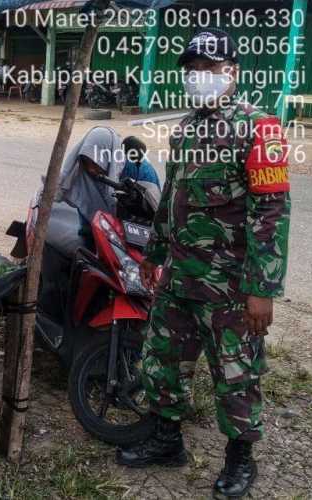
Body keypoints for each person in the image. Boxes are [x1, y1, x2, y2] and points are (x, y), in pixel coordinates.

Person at [116, 29, 291, 498]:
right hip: (178, 277)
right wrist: (154, 255)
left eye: (209, 70)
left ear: (231, 73)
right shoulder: (188, 128)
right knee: (164, 362)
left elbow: (271, 212)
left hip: (230, 288)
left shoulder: (262, 128)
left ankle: (240, 459)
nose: (200, 79)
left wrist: (262, 289)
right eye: (192, 71)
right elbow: (171, 199)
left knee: (236, 373)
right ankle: (166, 440)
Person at [57, 126, 124, 245]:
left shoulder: (130, 172)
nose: (91, 170)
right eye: (86, 162)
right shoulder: (82, 178)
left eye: (95, 162)